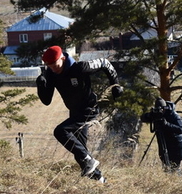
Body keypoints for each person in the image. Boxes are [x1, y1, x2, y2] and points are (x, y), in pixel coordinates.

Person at [36, 45, 123, 182]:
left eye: (55, 64)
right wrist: (41, 85)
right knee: (80, 151)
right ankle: (100, 181)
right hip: (75, 112)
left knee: (61, 132)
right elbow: (46, 100)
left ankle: (89, 161)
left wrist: (116, 85)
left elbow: (105, 63)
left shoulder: (80, 67)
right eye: (49, 66)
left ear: (63, 58)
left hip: (89, 109)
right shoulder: (52, 74)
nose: (53, 68)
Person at [141, 97, 182, 172]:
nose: (160, 112)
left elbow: (180, 129)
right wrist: (150, 115)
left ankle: (177, 181)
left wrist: (166, 124)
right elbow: (143, 118)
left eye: (161, 110)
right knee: (166, 168)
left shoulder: (173, 115)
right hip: (164, 145)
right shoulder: (155, 114)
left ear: (165, 108)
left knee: (175, 169)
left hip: (176, 146)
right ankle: (167, 180)